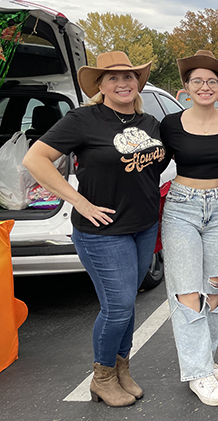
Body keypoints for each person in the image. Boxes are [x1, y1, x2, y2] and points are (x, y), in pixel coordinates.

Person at [22, 51, 165, 407]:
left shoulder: (149, 123)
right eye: (112, 78)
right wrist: (79, 201)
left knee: (128, 306)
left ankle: (122, 369)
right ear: (99, 85)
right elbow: (35, 159)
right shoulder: (83, 119)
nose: (122, 83)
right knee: (116, 307)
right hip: (102, 231)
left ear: (138, 82)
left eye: (128, 77)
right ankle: (102, 377)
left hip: (144, 227)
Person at [159, 50, 218, 406]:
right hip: (181, 208)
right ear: (186, 88)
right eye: (197, 81)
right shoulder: (170, 124)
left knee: (216, 286)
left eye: (211, 81)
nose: (204, 86)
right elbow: (145, 163)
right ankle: (198, 373)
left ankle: (205, 356)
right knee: (188, 292)